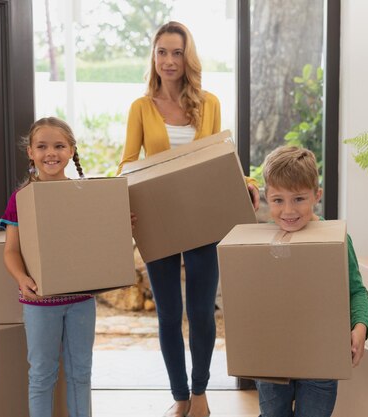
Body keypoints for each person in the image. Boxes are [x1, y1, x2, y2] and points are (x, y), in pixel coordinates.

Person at [117, 21, 261, 417]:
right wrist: (120, 200)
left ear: (187, 57)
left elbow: (221, 156)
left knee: (200, 312)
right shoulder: (141, 107)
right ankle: (179, 395)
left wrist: (245, 181)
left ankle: (200, 392)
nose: (168, 60)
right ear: (153, 57)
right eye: (161, 52)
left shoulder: (208, 103)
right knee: (168, 313)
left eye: (176, 52)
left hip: (202, 221)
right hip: (157, 218)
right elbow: (128, 162)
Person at [256, 145, 368, 417]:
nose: (288, 211)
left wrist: (360, 327)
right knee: (273, 414)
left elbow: (357, 292)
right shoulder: (257, 245)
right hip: (272, 357)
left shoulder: (336, 240)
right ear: (266, 198)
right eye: (278, 200)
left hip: (322, 358)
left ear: (316, 196)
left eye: (298, 199)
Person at [0, 117, 94, 417]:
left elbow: (98, 239)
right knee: (42, 374)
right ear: (30, 152)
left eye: (59, 146)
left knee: (81, 373)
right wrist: (21, 277)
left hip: (81, 300)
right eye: (42, 146)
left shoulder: (85, 194)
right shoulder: (21, 199)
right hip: (39, 301)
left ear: (71, 151)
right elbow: (11, 250)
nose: (50, 153)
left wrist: (117, 221)